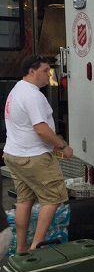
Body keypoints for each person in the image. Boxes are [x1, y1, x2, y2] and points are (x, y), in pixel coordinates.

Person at [3, 55, 72, 253]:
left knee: (25, 200)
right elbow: (41, 129)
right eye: (45, 71)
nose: (49, 74)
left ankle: (22, 248)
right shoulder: (33, 95)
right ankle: (36, 247)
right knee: (53, 198)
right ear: (32, 71)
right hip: (34, 157)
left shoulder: (17, 90)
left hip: (14, 155)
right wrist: (62, 146)